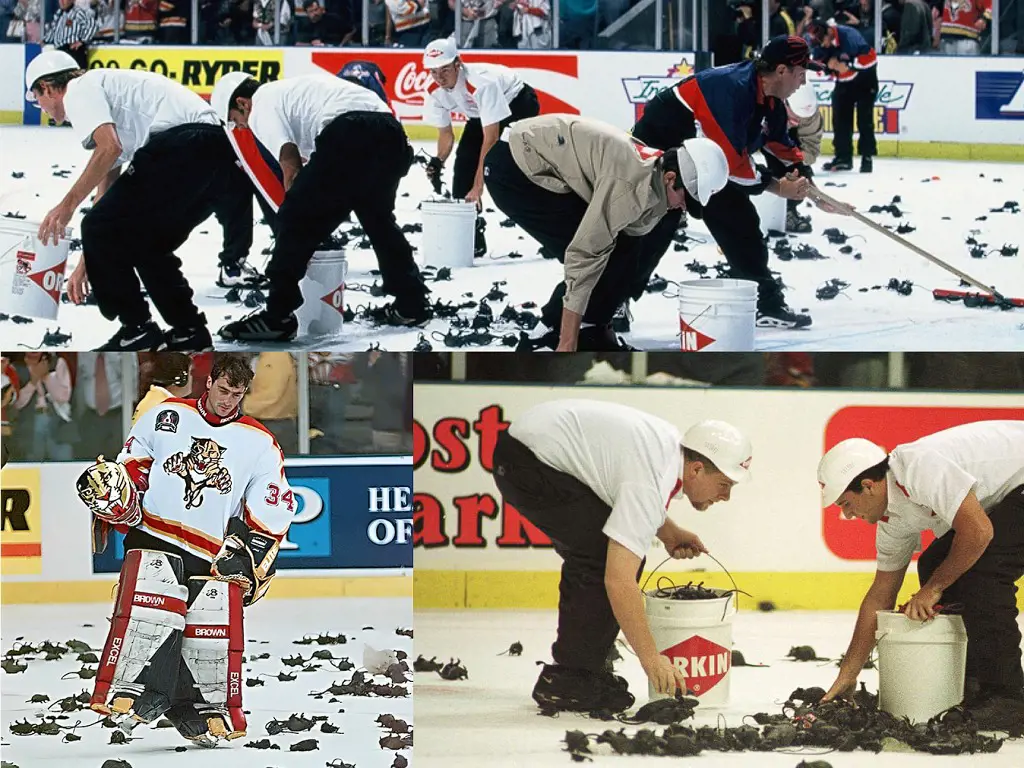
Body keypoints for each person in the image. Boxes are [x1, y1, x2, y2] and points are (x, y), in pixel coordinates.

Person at [77, 354, 294, 746]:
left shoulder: (259, 441)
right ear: (208, 382)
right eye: (224, 390)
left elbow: (272, 503)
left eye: (238, 393)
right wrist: (119, 493)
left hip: (208, 549)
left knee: (203, 636)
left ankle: (192, 713)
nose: (229, 400)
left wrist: (251, 552)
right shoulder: (166, 415)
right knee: (152, 617)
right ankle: (138, 695)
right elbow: (134, 466)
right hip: (152, 534)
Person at [491, 399, 751, 712]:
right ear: (696, 469)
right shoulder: (652, 478)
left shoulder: (667, 451)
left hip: (530, 447)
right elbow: (619, 580)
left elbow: (621, 488)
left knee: (607, 549)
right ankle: (570, 678)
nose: (725, 496)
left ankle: (582, 665)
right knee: (600, 556)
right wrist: (652, 660)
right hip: (527, 461)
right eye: (724, 484)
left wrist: (667, 532)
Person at [26, 50, 254, 351]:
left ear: (48, 87)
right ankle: (189, 329)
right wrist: (89, 261)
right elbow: (108, 187)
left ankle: (136, 328)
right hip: (215, 155)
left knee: (103, 228)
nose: (40, 108)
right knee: (146, 244)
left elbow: (108, 149)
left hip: (182, 145)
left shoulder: (79, 89)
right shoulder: (108, 91)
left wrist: (66, 206)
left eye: (36, 99)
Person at [817, 420, 1024, 731]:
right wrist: (849, 672)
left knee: (981, 571)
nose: (846, 515)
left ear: (869, 486)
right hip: (1013, 491)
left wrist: (934, 589)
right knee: (934, 563)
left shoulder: (918, 468)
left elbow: (979, 532)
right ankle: (976, 681)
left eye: (846, 503)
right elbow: (881, 594)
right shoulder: (893, 521)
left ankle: (1008, 698)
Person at [629, 35, 832, 330]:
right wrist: (777, 187)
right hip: (662, 156)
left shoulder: (771, 100)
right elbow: (731, 162)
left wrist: (811, 189)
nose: (803, 83)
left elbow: (780, 146)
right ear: (781, 71)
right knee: (652, 230)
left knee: (741, 225)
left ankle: (766, 304)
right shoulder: (728, 90)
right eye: (801, 74)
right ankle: (612, 303)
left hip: (708, 159)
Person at [211, 72, 431, 341]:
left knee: (293, 218)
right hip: (390, 131)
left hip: (350, 132)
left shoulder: (261, 104)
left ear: (243, 103)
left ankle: (278, 315)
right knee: (379, 221)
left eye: (236, 120)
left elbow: (290, 163)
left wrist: (297, 212)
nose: (242, 128)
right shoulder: (294, 89)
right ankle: (412, 302)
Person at [484, 114, 729, 352]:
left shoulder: (656, 174)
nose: (684, 207)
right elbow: (585, 256)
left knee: (625, 252)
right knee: (596, 256)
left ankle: (592, 330)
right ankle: (549, 334)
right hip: (516, 170)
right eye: (686, 198)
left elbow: (629, 241)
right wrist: (567, 343)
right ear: (670, 177)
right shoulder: (629, 187)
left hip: (547, 158)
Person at [421, 36, 540, 257]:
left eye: (445, 69)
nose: (439, 77)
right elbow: (446, 134)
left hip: (519, 103)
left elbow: (491, 139)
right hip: (480, 115)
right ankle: (471, 238)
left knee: (505, 170)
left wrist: (478, 187)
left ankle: (551, 229)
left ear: (459, 63)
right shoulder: (433, 90)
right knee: (463, 167)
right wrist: (438, 161)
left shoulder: (480, 83)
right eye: (433, 71)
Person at [807, 19, 878, 173]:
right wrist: (829, 67)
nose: (823, 45)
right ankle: (843, 157)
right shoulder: (821, 45)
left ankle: (867, 157)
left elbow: (871, 57)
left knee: (864, 120)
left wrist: (850, 65)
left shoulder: (850, 36)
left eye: (823, 41)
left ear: (830, 32)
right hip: (844, 84)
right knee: (840, 119)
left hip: (865, 82)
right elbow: (819, 65)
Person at [781, 80, 823, 233]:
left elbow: (810, 152)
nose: (799, 120)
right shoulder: (766, 104)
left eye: (804, 118)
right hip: (764, 132)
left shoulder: (811, 116)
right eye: (795, 116)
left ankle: (787, 209)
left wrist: (803, 174)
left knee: (794, 172)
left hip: (787, 144)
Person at [132, 352, 194, 426]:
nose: (192, 377)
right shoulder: (163, 407)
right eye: (190, 372)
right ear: (181, 378)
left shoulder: (156, 398)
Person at [42, 0, 98, 69]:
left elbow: (92, 25)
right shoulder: (59, 14)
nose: (61, 2)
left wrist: (82, 41)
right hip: (60, 51)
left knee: (76, 76)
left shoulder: (78, 12)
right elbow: (53, 30)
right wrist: (45, 40)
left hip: (73, 51)